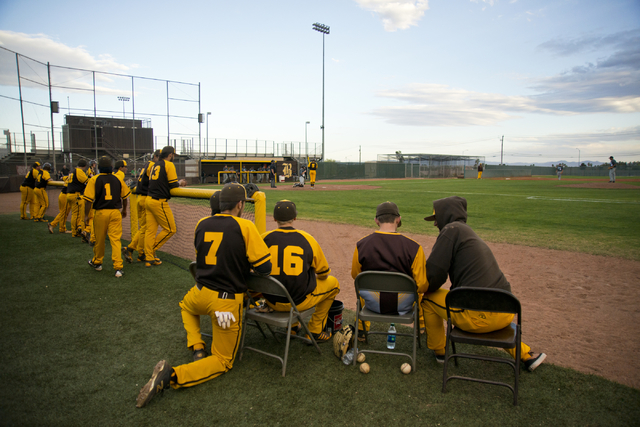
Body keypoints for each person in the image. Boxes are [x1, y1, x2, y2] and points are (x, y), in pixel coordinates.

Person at [135, 183, 272, 408]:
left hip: (200, 293)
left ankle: (197, 346)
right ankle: (172, 376)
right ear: (240, 204)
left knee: (185, 307)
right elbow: (265, 269)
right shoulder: (245, 226)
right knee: (223, 361)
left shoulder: (202, 223)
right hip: (225, 304)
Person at [421, 196, 546, 371]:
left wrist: (417, 286)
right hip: (506, 313)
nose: (435, 223)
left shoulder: (450, 230)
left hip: (478, 318)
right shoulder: (468, 233)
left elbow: (434, 275)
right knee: (487, 301)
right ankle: (526, 355)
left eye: (436, 218)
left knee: (427, 299)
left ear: (447, 216)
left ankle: (440, 352)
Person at [262, 200, 340, 342]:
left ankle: (292, 327)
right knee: (333, 284)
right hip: (299, 302)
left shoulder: (263, 238)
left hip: (271, 300)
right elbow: (323, 274)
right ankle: (315, 331)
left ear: (274, 218)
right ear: (295, 218)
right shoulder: (307, 239)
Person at [351, 201, 428, 340]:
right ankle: (421, 326)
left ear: (376, 220)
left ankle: (361, 329)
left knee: (363, 287)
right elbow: (422, 285)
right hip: (402, 306)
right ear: (398, 220)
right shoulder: (414, 247)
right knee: (420, 292)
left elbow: (356, 276)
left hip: (372, 304)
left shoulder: (361, 244)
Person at [83, 156, 130, 277]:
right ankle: (118, 268)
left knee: (100, 240)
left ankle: (98, 263)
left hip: (100, 212)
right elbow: (125, 197)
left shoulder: (94, 179)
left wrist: (86, 215)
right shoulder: (118, 178)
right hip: (115, 212)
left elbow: (88, 200)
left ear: (99, 167)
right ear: (110, 167)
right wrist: (124, 210)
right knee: (115, 240)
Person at [122, 150, 160, 264]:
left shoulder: (147, 164)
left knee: (144, 228)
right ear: (156, 157)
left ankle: (140, 253)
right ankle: (131, 248)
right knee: (146, 228)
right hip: (146, 198)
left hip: (140, 198)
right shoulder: (153, 165)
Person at [144, 146, 179, 267]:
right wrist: (181, 184)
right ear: (170, 155)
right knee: (170, 229)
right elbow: (173, 184)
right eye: (173, 155)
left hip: (148, 199)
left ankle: (148, 257)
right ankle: (149, 252)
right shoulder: (168, 165)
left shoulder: (154, 164)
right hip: (159, 201)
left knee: (150, 231)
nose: (174, 157)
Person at [67, 159, 90, 238]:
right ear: (85, 166)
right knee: (77, 214)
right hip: (75, 194)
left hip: (70, 193)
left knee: (74, 214)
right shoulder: (79, 171)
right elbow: (86, 181)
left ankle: (75, 230)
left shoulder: (73, 171)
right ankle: (75, 232)